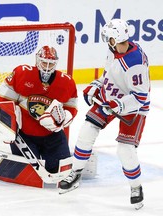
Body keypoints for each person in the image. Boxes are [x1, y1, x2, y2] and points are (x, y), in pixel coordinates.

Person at [58, 19, 150, 210]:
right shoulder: (115, 49)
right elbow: (109, 74)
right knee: (87, 131)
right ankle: (75, 173)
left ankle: (136, 188)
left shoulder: (135, 63)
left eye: (108, 37)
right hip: (111, 97)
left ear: (115, 38)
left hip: (133, 107)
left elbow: (140, 97)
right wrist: (97, 85)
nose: (107, 41)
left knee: (125, 150)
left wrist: (118, 105)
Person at [0, 45, 78, 173]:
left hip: (52, 136)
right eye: (44, 62)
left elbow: (71, 106)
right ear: (37, 61)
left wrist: (63, 118)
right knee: (28, 172)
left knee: (60, 171)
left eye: (51, 64)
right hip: (24, 135)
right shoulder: (22, 74)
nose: (46, 67)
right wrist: (7, 127)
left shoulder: (66, 82)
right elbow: (3, 98)